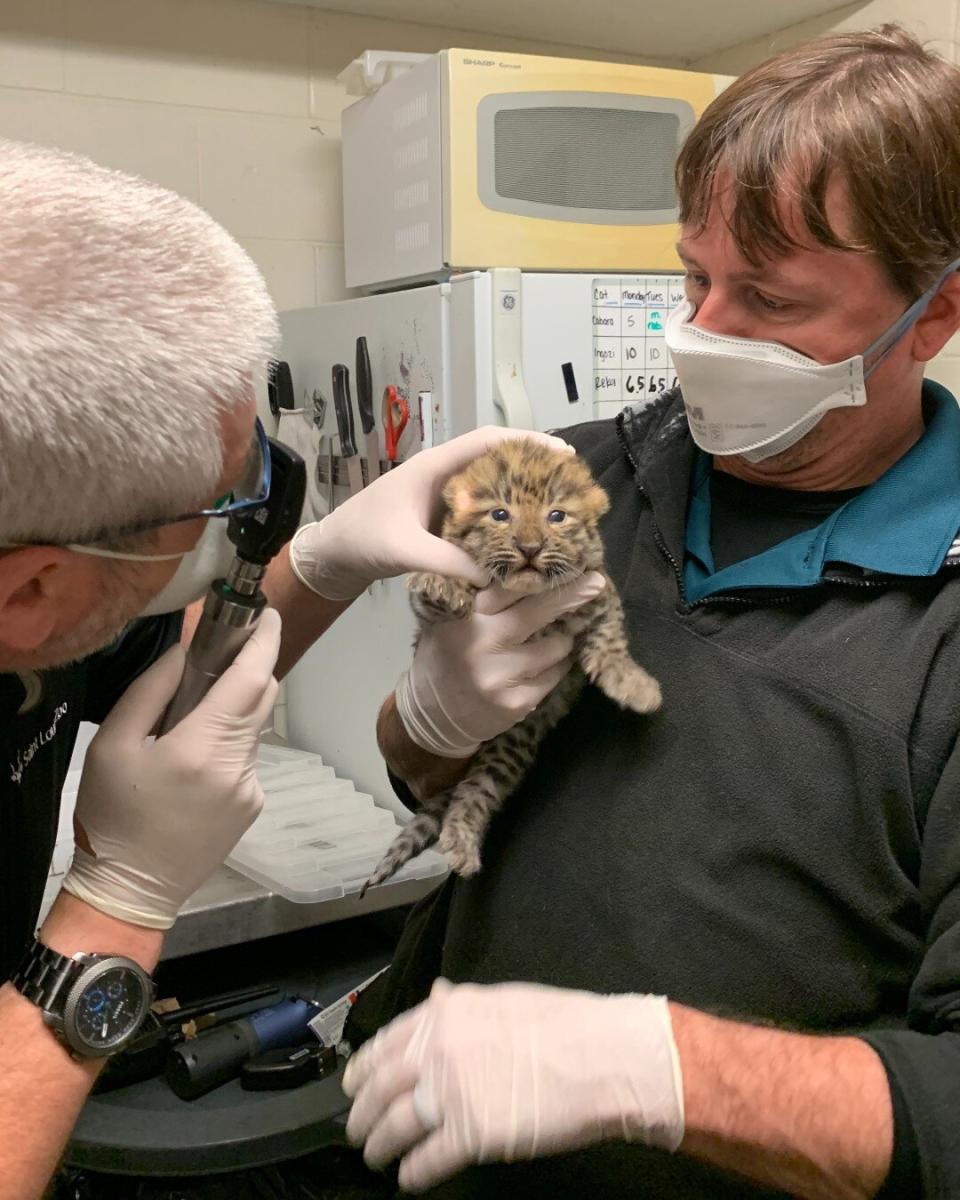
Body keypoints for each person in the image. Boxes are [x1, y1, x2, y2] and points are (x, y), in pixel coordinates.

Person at [343, 25, 960, 1200]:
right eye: (695, 276)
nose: (704, 336)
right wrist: (425, 721)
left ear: (932, 317)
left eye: (770, 299)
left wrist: (658, 1072)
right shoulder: (579, 483)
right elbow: (425, 784)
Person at [0, 138, 583, 1200]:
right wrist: (110, 909)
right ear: (33, 591)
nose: (244, 530)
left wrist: (325, 560)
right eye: (224, 509)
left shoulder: (45, 588)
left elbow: (184, 665)